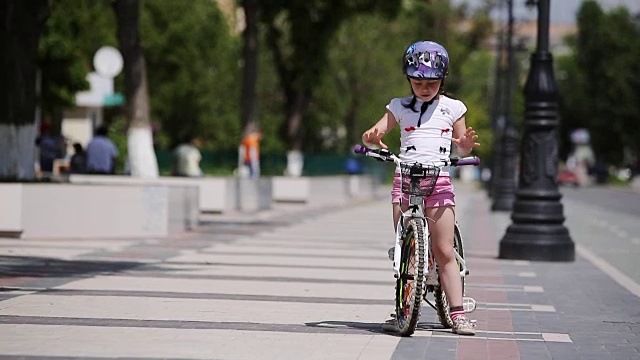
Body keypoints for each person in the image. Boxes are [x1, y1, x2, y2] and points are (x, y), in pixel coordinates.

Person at [361, 41, 480, 336]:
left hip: (438, 179)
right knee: (407, 250)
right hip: (405, 178)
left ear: (443, 79)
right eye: (417, 82)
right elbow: (370, 136)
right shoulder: (398, 107)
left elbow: (463, 147)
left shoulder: (453, 107)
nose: (424, 88)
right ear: (408, 79)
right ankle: (404, 309)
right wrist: (371, 138)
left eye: (432, 83)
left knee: (443, 249)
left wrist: (464, 146)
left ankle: (457, 313)